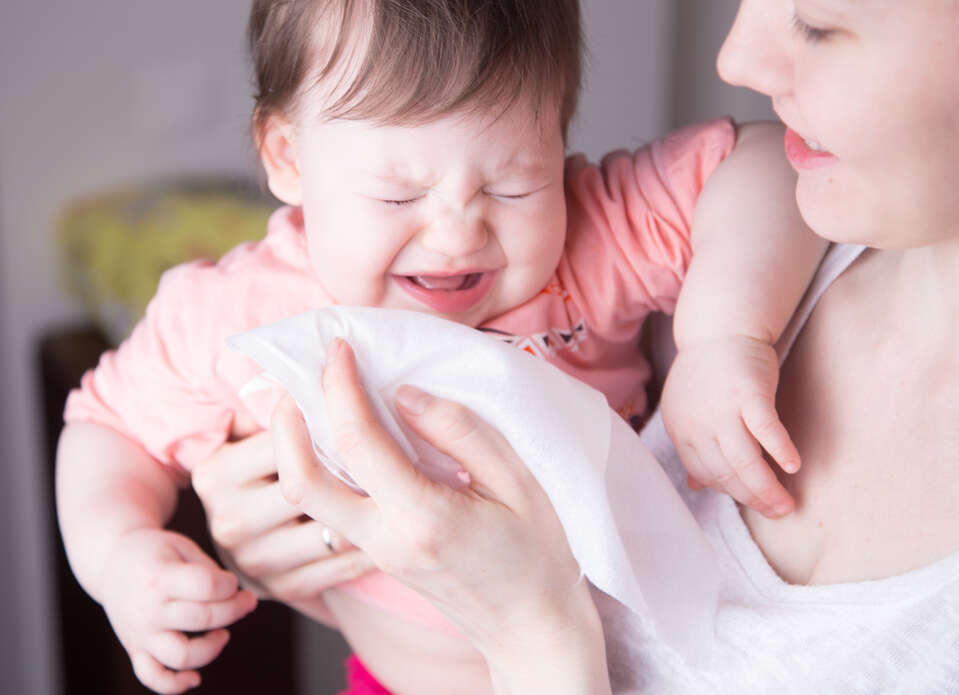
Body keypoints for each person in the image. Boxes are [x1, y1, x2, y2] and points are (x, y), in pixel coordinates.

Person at [205, 0, 959, 692]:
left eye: (822, 21)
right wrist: (292, 543)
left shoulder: (623, 261)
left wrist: (533, 633)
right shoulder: (760, 251)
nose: (735, 58)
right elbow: (115, 418)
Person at [54, 1, 827, 693]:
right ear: (288, 158)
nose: (458, 235)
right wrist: (121, 554)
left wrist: (726, 336)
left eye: (512, 185)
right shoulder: (238, 310)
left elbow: (757, 161)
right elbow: (106, 426)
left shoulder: (588, 248)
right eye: (399, 196)